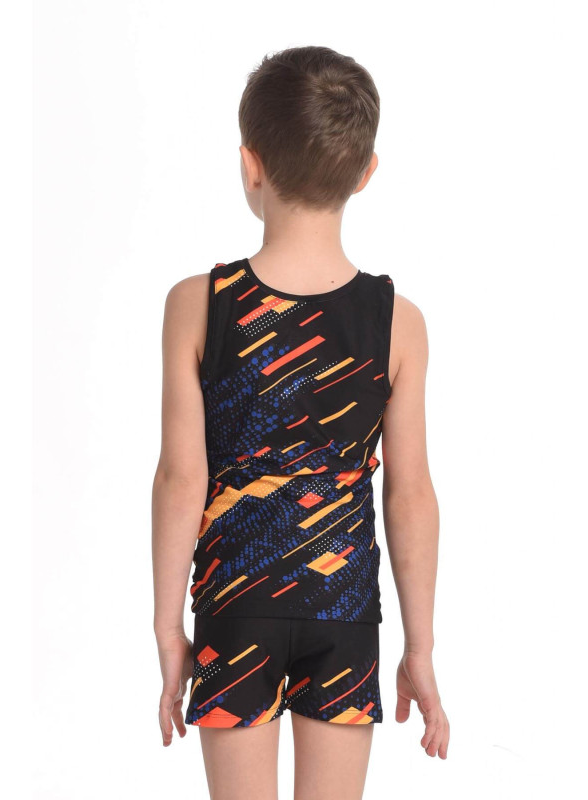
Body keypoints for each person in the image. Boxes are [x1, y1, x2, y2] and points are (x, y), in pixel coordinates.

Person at [152, 45, 449, 800]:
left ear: (250, 165)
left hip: (236, 605)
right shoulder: (397, 323)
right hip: (342, 610)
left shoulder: (198, 306)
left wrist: (167, 627)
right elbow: (410, 494)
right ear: (366, 172)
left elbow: (182, 478)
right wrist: (419, 647)